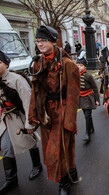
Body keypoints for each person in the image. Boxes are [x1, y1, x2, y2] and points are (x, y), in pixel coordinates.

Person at [28, 25, 80, 194]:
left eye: (43, 41)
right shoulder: (37, 63)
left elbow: (73, 95)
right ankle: (71, 170)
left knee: (57, 150)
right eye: (37, 41)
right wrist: (34, 115)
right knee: (53, 148)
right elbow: (35, 92)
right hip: (46, 113)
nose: (39, 44)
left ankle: (63, 182)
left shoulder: (68, 64)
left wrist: (70, 121)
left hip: (63, 110)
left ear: (52, 41)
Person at [0, 50, 42, 193]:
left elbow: (28, 102)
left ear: (6, 64)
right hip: (6, 119)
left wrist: (29, 123)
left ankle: (37, 165)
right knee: (6, 147)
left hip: (20, 117)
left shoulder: (17, 79)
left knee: (30, 141)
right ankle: (11, 180)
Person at [77, 56, 100, 144]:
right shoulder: (75, 75)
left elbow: (95, 88)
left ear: (85, 66)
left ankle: (87, 134)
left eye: (81, 65)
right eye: (77, 65)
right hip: (80, 98)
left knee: (87, 115)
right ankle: (91, 127)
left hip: (88, 97)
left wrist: (97, 100)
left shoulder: (88, 75)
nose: (79, 67)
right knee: (85, 114)